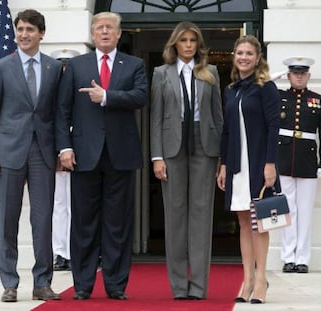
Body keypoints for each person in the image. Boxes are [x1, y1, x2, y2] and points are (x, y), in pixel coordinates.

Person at [55, 12, 148, 300]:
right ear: (92, 34)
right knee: (83, 222)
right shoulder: (76, 65)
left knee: (117, 224)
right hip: (84, 155)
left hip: (120, 154)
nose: (105, 32)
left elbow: (141, 96)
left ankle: (116, 284)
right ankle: (82, 284)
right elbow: (62, 110)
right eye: (99, 28)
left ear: (119, 34)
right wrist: (65, 147)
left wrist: (107, 96)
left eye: (110, 28)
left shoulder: (134, 64)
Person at [0, 9, 63, 302]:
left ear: (41, 33)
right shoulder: (2, 67)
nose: (24, 34)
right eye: (20, 29)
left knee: (43, 222)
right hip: (8, 155)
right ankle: (10, 283)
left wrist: (61, 149)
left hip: (42, 153)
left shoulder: (55, 68)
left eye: (30, 29)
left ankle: (42, 282)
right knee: (8, 220)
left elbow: (57, 113)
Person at [150, 21, 223, 300]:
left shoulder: (211, 72)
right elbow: (155, 117)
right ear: (175, 44)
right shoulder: (161, 73)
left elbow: (218, 118)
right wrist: (157, 156)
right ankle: (179, 286)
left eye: (193, 40)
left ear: (198, 44)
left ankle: (199, 286)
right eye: (184, 40)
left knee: (202, 216)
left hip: (204, 146)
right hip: (172, 146)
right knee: (175, 215)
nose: (189, 45)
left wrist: (221, 158)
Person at [216, 35, 281, 304]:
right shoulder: (231, 89)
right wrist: (222, 164)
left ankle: (261, 280)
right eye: (239, 52)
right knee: (243, 221)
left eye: (249, 54)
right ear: (234, 56)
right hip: (235, 164)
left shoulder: (266, 87)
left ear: (257, 58)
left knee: (260, 222)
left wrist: (270, 163)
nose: (243, 57)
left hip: (257, 162)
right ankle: (248, 280)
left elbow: (273, 127)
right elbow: (227, 129)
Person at [278, 57, 321, 274]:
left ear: (308, 76)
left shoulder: (319, 100)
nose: (299, 76)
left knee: (305, 211)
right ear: (288, 75)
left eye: (303, 73)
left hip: (308, 161)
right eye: (294, 73)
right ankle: (288, 257)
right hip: (282, 159)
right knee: (286, 211)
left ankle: (302, 259)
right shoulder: (278, 97)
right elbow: (259, 88)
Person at [50, 49, 80, 271]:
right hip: (58, 152)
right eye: (61, 65)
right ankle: (61, 252)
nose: (64, 69)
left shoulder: (81, 87)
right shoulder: (49, 90)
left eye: (68, 65)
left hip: (81, 152)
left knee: (80, 205)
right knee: (60, 205)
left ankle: (78, 250)